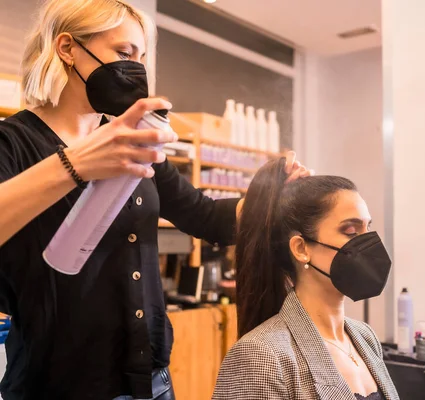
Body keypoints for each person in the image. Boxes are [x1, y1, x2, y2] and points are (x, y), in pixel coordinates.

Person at [0, 1, 310, 399]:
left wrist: (273, 196)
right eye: (124, 53)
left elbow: (205, 217)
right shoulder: (12, 142)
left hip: (151, 380)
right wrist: (74, 163)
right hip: (58, 385)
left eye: (141, 57)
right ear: (67, 48)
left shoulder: (132, 142)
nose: (136, 68)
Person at [212, 158, 400, 400]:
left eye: (367, 229)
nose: (367, 244)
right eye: (351, 232)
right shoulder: (261, 356)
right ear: (301, 248)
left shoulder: (364, 337)